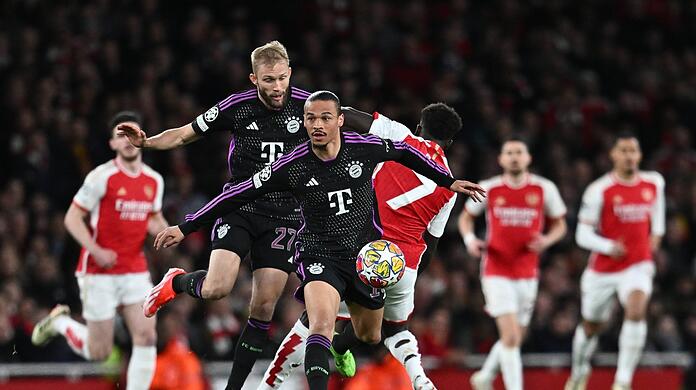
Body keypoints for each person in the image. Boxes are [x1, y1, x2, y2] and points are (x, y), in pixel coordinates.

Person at [151, 90, 485, 390]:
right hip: (319, 252)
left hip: (363, 253)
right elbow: (240, 192)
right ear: (302, 123)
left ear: (340, 121)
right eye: (309, 118)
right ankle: (271, 383)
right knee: (320, 324)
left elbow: (403, 152)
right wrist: (187, 225)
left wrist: (449, 181)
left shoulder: (366, 148)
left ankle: (340, 350)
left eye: (326, 117)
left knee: (369, 333)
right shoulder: (292, 165)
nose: (317, 124)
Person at [117, 41, 311, 389]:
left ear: (290, 74)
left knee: (264, 308)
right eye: (269, 80)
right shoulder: (237, 108)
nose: (277, 87)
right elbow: (182, 136)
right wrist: (146, 143)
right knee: (218, 288)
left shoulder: (308, 108)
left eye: (282, 78)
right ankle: (176, 281)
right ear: (254, 79)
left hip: (284, 217)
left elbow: (347, 131)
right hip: (240, 208)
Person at [258, 103, 463, 390]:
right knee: (390, 329)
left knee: (316, 321)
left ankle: (268, 386)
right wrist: (409, 277)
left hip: (360, 248)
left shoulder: (400, 136)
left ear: (419, 127)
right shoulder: (450, 187)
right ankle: (418, 377)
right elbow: (431, 244)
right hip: (403, 263)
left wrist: (323, 119)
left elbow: (351, 115)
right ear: (450, 142)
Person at [31, 111, 167, 390]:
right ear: (112, 144)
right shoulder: (101, 177)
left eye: (133, 134)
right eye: (121, 135)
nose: (128, 140)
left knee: (147, 337)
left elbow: (152, 217)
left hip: (134, 270)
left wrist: (170, 232)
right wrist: (97, 250)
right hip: (98, 272)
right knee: (100, 352)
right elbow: (71, 218)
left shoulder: (154, 181)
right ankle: (60, 324)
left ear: (143, 138)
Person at [458, 137, 567, 390]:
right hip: (496, 270)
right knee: (509, 336)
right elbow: (466, 218)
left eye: (519, 152)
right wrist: (470, 240)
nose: (514, 157)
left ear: (528, 158)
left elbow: (560, 224)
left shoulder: (544, 188)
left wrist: (547, 240)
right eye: (509, 153)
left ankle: (485, 376)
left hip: (527, 272)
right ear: (501, 159)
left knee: (516, 336)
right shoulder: (489, 187)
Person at [565, 132, 665, 390]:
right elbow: (582, 235)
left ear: (639, 155)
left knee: (636, 310)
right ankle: (579, 370)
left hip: (638, 264)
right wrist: (608, 246)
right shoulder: (599, 190)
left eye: (633, 151)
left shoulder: (654, 183)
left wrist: (653, 239)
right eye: (624, 151)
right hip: (603, 269)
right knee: (591, 326)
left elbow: (658, 220)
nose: (629, 156)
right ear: (613, 155)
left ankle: (622, 381)